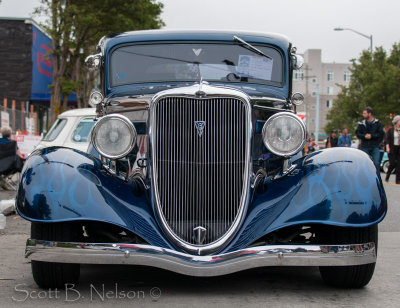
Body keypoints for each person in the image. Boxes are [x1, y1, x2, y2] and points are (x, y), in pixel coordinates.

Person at [356, 107, 385, 171]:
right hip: (365, 146)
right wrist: (364, 136)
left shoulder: (377, 123)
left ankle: (376, 179)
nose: (363, 114)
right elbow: (358, 133)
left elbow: (381, 134)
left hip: (375, 146)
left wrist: (372, 136)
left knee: (376, 163)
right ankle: (365, 178)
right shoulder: (361, 123)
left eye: (365, 113)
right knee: (364, 163)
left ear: (370, 114)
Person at [384, 115, 400, 183]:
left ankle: (398, 180)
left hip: (399, 148)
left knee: (399, 164)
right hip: (392, 148)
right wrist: (387, 147)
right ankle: (387, 176)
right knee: (392, 164)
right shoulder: (391, 130)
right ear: (396, 122)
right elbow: (387, 139)